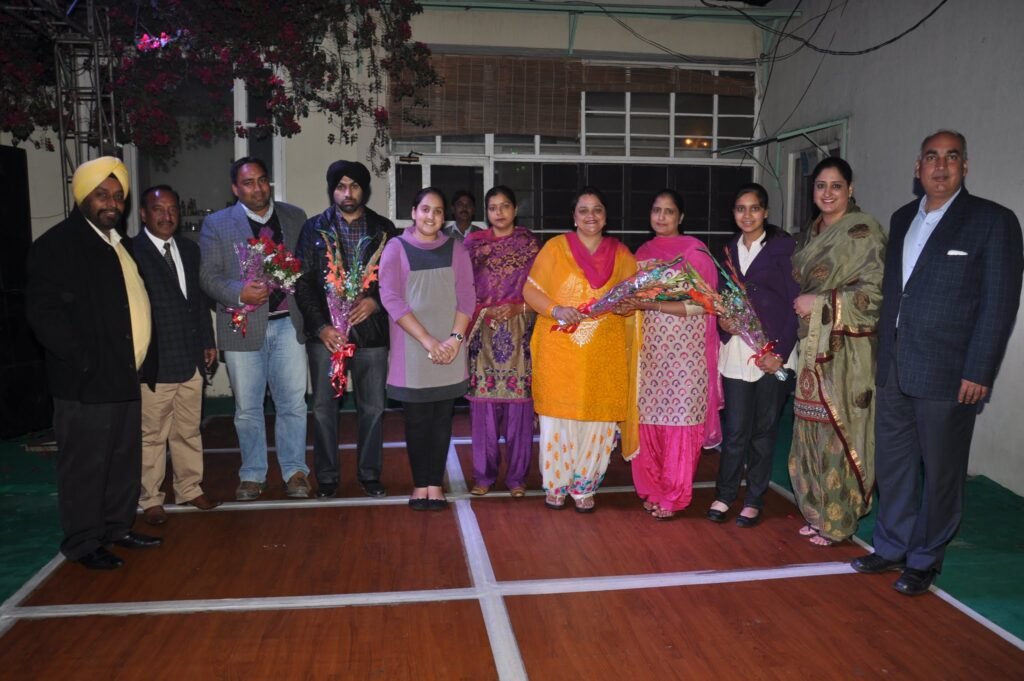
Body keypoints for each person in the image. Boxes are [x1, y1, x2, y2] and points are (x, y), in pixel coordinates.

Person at [852, 130, 1023, 595]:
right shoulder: (902, 217)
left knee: (942, 473)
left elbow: (999, 302)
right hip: (895, 369)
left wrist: (980, 369)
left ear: (965, 166)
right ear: (918, 167)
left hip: (949, 373)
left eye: (951, 157)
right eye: (931, 157)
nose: (941, 166)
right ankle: (891, 546)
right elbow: (896, 294)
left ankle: (925, 558)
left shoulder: (993, 221)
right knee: (894, 466)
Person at [26, 156, 161, 570]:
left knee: (122, 459)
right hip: (85, 382)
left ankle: (116, 527)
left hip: (124, 375)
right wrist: (86, 362)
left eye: (118, 196)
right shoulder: (56, 245)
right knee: (86, 465)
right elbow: (44, 316)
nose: (111, 203)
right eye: (102, 195)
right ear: (83, 196)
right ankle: (84, 542)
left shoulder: (119, 243)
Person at [199, 157, 311, 501]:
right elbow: (208, 276)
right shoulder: (217, 224)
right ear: (235, 188)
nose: (258, 188)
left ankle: (295, 470)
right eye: (248, 183)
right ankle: (252, 473)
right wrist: (239, 292)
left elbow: (307, 269)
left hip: (288, 325)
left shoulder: (295, 217)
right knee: (248, 409)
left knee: (293, 404)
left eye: (262, 180)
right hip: (242, 326)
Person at [789, 157, 886, 546]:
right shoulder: (810, 234)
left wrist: (822, 302)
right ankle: (816, 511)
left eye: (836, 186)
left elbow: (876, 293)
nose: (827, 193)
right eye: (820, 186)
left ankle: (839, 520)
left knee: (839, 429)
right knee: (810, 427)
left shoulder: (865, 232)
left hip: (848, 350)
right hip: (810, 346)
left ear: (850, 189)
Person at [523, 186, 637, 513]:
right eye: (583, 210)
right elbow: (531, 290)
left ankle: (585, 486)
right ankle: (556, 484)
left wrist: (628, 307)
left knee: (598, 420)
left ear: (605, 217)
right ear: (573, 217)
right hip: (559, 351)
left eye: (597, 209)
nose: (590, 216)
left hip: (604, 354)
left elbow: (634, 299)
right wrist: (556, 309)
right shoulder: (555, 249)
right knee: (557, 420)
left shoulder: (622, 255)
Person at [295, 160, 398, 499]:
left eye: (354, 186)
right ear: (332, 190)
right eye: (341, 186)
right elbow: (303, 283)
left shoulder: (384, 229)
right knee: (324, 409)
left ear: (364, 190)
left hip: (371, 335)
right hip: (327, 338)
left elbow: (398, 279)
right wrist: (321, 327)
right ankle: (326, 476)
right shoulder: (313, 228)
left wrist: (376, 302)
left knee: (373, 407)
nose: (347, 193)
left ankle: (369, 474)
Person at [621, 189, 720, 520]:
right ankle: (653, 490)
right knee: (649, 421)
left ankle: (675, 495)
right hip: (650, 352)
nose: (661, 217)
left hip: (686, 353)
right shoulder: (642, 253)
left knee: (681, 421)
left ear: (681, 217)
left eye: (669, 211)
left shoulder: (695, 252)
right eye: (656, 210)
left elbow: (706, 304)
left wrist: (653, 305)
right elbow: (633, 300)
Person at [707, 183, 800, 527]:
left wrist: (781, 352)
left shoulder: (783, 248)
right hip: (737, 353)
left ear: (766, 212)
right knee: (735, 431)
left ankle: (754, 499)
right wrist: (723, 323)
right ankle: (725, 494)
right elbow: (720, 300)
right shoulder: (727, 251)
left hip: (772, 355)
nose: (747, 215)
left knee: (764, 430)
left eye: (754, 208)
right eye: (740, 208)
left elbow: (795, 306)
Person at [379, 188, 474, 510]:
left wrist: (454, 340)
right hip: (413, 350)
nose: (431, 216)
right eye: (425, 209)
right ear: (413, 212)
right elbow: (391, 298)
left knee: (442, 420)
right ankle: (421, 484)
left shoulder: (456, 250)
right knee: (418, 421)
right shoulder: (396, 248)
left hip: (450, 348)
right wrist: (428, 340)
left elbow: (467, 298)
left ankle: (436, 484)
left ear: (443, 217)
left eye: (437, 211)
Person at [133, 185, 219, 525]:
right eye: (159, 209)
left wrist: (208, 341)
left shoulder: (189, 249)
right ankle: (151, 498)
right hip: (154, 362)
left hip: (190, 358)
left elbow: (197, 302)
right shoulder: (131, 252)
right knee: (152, 435)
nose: (167, 216)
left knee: (188, 430)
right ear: (143, 214)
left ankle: (189, 488)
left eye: (172, 209)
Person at [463, 186, 540, 497]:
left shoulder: (529, 244)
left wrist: (520, 307)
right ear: (486, 212)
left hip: (520, 330)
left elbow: (543, 288)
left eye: (505, 205)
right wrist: (483, 310)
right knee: (483, 407)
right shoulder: (473, 245)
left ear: (515, 209)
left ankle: (517, 478)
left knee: (520, 408)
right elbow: (462, 287)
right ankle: (484, 476)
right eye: (493, 207)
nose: (499, 212)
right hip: (483, 331)